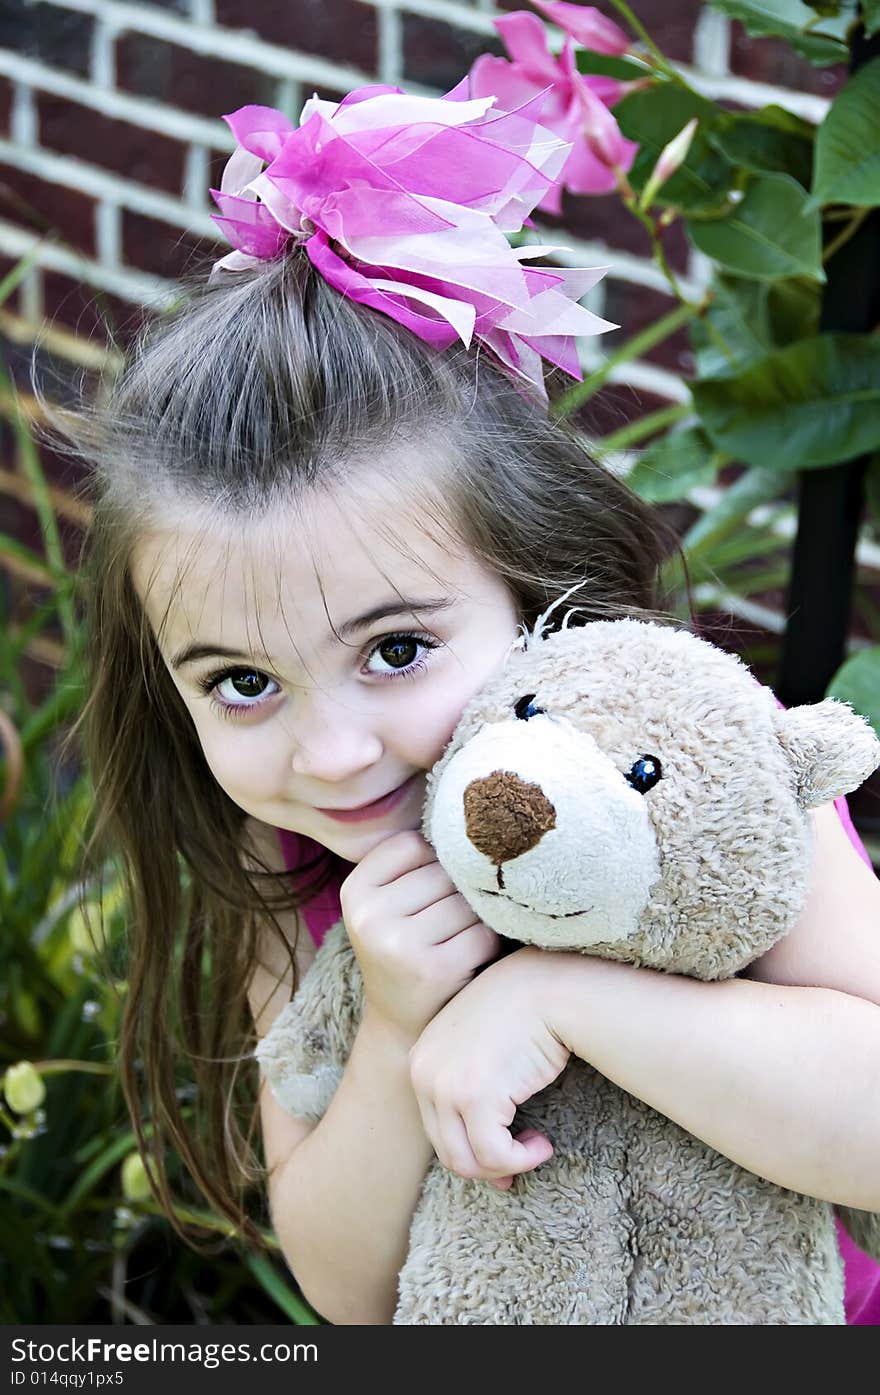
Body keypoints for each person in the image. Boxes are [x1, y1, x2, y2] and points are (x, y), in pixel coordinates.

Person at [55, 82, 880, 1326]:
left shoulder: (695, 768)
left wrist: (558, 1001)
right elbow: (346, 1294)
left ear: (535, 581)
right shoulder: (285, 868)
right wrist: (395, 1027)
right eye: (241, 682)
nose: (332, 755)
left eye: (393, 650)